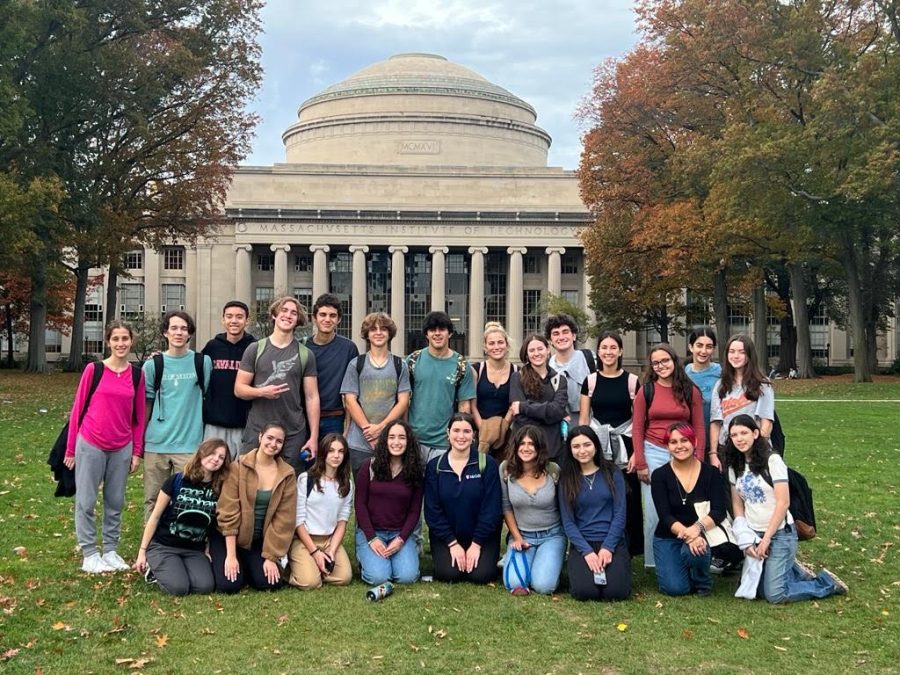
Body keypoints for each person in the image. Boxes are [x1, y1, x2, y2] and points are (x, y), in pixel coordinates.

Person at [725, 415, 847, 603]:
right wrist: (745, 538)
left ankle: (826, 583)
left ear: (756, 433)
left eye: (744, 433)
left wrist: (766, 540)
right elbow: (737, 504)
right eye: (734, 435)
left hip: (780, 532)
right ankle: (793, 571)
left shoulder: (772, 460)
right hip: (754, 532)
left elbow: (783, 503)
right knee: (754, 591)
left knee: (774, 595)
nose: (739, 439)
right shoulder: (735, 465)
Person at [64, 320, 146, 573]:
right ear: (108, 342)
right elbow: (78, 409)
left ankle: (110, 550)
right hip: (91, 443)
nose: (120, 343)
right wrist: (70, 449)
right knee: (86, 501)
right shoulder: (94, 370)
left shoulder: (136, 374)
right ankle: (89, 552)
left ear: (131, 341)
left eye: (125, 338)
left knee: (115, 500)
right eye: (116, 339)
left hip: (121, 446)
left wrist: (136, 451)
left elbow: (139, 417)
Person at [630, 343, 705, 567]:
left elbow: (699, 426)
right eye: (656, 363)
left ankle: (690, 554)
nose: (661, 366)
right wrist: (641, 461)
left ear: (674, 361)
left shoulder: (690, 390)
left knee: (686, 506)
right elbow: (637, 427)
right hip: (653, 452)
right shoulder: (647, 391)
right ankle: (655, 562)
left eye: (665, 361)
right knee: (654, 511)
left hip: (684, 453)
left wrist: (699, 459)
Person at [134, 439, 230, 595]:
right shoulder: (178, 480)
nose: (216, 459)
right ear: (201, 453)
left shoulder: (220, 488)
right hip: (165, 546)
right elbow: (155, 516)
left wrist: (206, 549)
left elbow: (213, 523)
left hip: (194, 549)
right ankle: (155, 569)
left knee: (204, 587)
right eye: (212, 453)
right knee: (179, 588)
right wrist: (142, 551)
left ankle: (178, 569)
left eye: (221, 457)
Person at [235, 296, 319, 472]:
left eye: (293, 313)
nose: (288, 315)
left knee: (288, 485)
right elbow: (239, 389)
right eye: (284, 310)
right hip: (258, 429)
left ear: (298, 320)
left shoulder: (305, 354)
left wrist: (313, 437)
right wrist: (262, 392)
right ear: (274, 315)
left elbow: (312, 397)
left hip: (293, 432)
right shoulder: (255, 349)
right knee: (248, 479)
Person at [142, 310, 212, 521]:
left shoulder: (203, 362)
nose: (179, 333)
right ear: (165, 332)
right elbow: (146, 404)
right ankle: (151, 545)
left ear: (190, 334)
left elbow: (208, 396)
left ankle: (183, 544)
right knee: (153, 499)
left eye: (183, 328)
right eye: (174, 328)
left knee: (188, 497)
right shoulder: (153, 365)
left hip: (189, 445)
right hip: (156, 444)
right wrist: (139, 441)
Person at [578, 330, 643, 556]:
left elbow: (638, 421)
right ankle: (600, 536)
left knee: (628, 494)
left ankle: (632, 546)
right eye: (604, 348)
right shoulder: (591, 381)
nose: (608, 352)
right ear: (598, 351)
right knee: (602, 491)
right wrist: (582, 449)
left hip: (626, 445)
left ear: (620, 351)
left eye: (613, 348)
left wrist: (637, 453)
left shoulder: (633, 381)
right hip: (598, 443)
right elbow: (584, 419)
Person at [213, 422, 297, 592]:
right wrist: (231, 556)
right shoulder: (237, 467)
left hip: (258, 542)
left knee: (269, 583)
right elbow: (228, 512)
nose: (273, 444)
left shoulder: (287, 474)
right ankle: (231, 560)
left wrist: (271, 557)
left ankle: (250, 564)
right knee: (230, 585)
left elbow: (284, 520)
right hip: (229, 538)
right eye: (270, 438)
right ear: (260, 437)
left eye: (279, 441)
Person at [650, 423, 727, 597]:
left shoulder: (711, 473)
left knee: (696, 550)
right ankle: (683, 569)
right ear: (667, 446)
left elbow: (719, 511)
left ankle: (701, 581)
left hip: (701, 534)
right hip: (668, 536)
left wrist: (696, 529)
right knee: (675, 589)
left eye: (684, 440)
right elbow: (664, 515)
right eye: (673, 442)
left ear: (695, 441)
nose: (679, 446)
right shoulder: (660, 475)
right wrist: (688, 534)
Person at [424, 413, 502, 584]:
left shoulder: (487, 464)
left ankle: (487, 556)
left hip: (481, 536)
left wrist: (476, 544)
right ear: (448, 433)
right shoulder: (435, 466)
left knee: (481, 576)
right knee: (448, 574)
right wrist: (452, 544)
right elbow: (432, 511)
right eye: (456, 430)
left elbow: (492, 509)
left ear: (474, 434)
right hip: (448, 536)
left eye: (466, 431)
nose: (461, 436)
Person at [558, 425, 631, 601]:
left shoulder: (612, 472)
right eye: (576, 446)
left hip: (611, 541)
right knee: (584, 592)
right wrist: (587, 552)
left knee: (616, 593)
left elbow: (620, 514)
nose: (582, 450)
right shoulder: (566, 478)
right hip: (583, 543)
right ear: (570, 450)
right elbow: (568, 522)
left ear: (596, 446)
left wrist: (608, 547)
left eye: (587, 444)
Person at [354, 421, 424, 585]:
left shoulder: (415, 471)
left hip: (399, 533)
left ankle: (395, 558)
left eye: (402, 437)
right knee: (379, 577)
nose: (396, 442)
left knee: (407, 577)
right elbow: (360, 505)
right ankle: (366, 558)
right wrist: (372, 538)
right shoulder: (369, 467)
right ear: (385, 440)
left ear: (409, 442)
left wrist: (401, 539)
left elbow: (415, 511)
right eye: (391, 437)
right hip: (371, 532)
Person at [341, 312, 411, 474]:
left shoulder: (400, 365)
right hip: (358, 442)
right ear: (367, 334)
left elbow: (403, 401)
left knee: (388, 492)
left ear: (389, 334)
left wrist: (381, 429)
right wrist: (369, 432)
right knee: (362, 492)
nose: (378, 333)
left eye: (383, 329)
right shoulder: (355, 364)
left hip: (390, 441)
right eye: (373, 329)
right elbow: (350, 400)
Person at [499, 425, 565, 595]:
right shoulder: (506, 470)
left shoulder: (553, 471)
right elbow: (506, 507)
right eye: (522, 443)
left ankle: (551, 560)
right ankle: (515, 557)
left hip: (552, 535)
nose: (526, 448)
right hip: (522, 536)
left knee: (543, 586)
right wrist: (517, 538)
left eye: (531, 444)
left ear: (539, 447)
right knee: (515, 584)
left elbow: (564, 507)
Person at [406, 311, 476, 466]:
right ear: (426, 334)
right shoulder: (412, 361)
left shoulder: (461, 365)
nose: (437, 334)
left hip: (444, 443)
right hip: (414, 441)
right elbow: (403, 400)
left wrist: (459, 438)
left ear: (450, 333)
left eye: (442, 329)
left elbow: (464, 406)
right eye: (432, 330)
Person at [288, 433, 354, 589]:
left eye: (341, 451)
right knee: (311, 582)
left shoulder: (346, 484)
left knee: (344, 577)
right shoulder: (306, 479)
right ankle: (291, 570)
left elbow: (342, 522)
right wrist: (315, 552)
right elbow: (298, 521)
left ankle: (315, 567)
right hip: (305, 539)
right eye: (331, 451)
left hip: (328, 540)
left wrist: (331, 549)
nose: (336, 455)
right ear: (324, 453)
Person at [201, 301, 256, 458]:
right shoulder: (212, 347)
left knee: (239, 472)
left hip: (243, 423)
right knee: (211, 467)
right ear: (223, 320)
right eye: (229, 316)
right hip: (214, 422)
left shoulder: (254, 347)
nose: (234, 321)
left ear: (247, 321)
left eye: (239, 317)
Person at [710, 334, 775, 465]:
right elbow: (715, 422)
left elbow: (766, 422)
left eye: (741, 352)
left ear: (749, 356)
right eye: (732, 351)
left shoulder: (762, 384)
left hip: (754, 449)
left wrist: (756, 451)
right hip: (727, 450)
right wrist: (713, 453)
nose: (736, 356)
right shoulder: (720, 385)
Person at [304, 293, 359, 440]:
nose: (327, 319)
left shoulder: (348, 348)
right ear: (314, 318)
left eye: (332, 315)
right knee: (305, 462)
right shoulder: (302, 347)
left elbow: (352, 391)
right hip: (304, 417)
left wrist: (348, 429)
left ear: (339, 320)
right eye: (322, 315)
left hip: (334, 419)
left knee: (333, 461)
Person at [509, 334, 568, 461]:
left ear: (548, 350)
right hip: (525, 448)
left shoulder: (559, 380)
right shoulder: (517, 377)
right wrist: (548, 418)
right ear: (527, 355)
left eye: (540, 349)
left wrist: (524, 406)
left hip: (553, 449)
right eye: (532, 350)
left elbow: (557, 411)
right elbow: (519, 416)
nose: (537, 353)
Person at [470, 322, 516, 458]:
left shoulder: (516, 372)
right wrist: (483, 428)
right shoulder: (476, 371)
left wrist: (502, 428)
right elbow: (472, 404)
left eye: (500, 342)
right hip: (480, 433)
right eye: (491, 343)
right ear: (485, 347)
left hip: (506, 434)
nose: (496, 347)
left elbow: (515, 405)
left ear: (507, 345)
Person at [546, 313, 594, 423]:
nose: (561, 337)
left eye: (565, 332)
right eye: (556, 334)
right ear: (550, 340)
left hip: (589, 426)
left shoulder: (590, 359)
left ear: (574, 336)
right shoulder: (546, 368)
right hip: (556, 428)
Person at [684, 327, 721, 457]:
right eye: (699, 345)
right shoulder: (683, 374)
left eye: (709, 346)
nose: (704, 351)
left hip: (716, 443)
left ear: (713, 349)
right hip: (688, 442)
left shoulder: (721, 373)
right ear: (691, 347)